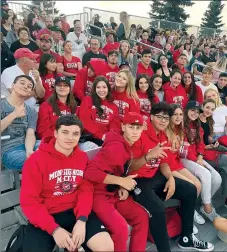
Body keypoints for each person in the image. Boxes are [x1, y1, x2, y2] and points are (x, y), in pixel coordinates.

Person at [129, 102, 214, 252]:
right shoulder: (140, 133)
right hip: (137, 180)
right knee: (158, 208)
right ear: (151, 117)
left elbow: (163, 163)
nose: (163, 121)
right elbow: (129, 167)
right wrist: (148, 156)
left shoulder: (162, 134)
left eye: (166, 118)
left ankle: (187, 238)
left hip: (156, 175)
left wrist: (170, 177)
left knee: (191, 189)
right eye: (159, 117)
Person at [20, 115, 113, 252]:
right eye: (65, 132)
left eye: (75, 133)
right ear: (55, 133)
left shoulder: (82, 157)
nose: (70, 138)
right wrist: (55, 230)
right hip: (47, 214)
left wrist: (82, 220)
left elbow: (85, 189)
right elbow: (30, 201)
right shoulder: (35, 161)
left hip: (74, 211)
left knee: (106, 247)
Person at [84, 112, 149, 252]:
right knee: (121, 229)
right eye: (132, 127)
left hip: (112, 192)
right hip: (98, 195)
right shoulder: (116, 147)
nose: (135, 132)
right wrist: (120, 181)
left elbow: (117, 170)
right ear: (123, 127)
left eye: (138, 128)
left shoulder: (125, 143)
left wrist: (121, 185)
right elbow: (89, 172)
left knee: (141, 217)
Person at [199, 98, 227, 209]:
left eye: (212, 109)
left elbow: (207, 138)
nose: (209, 111)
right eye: (207, 107)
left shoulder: (209, 120)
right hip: (200, 153)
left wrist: (213, 142)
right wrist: (208, 146)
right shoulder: (196, 120)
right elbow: (195, 144)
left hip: (208, 149)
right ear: (202, 106)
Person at [1, 75, 40, 170]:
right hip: (8, 149)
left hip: (28, 145)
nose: (26, 86)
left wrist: (29, 151)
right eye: (22, 83)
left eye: (29, 86)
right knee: (38, 162)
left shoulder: (31, 111)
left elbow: (30, 134)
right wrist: (14, 114)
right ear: (13, 85)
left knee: (52, 148)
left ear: (30, 92)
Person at [79, 76, 120, 145]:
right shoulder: (87, 100)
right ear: (94, 89)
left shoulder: (113, 106)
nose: (101, 90)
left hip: (106, 137)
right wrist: (100, 135)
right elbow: (85, 120)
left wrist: (110, 136)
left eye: (104, 87)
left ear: (108, 89)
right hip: (89, 137)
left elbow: (114, 124)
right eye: (98, 87)